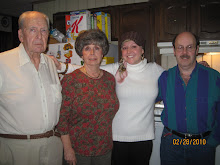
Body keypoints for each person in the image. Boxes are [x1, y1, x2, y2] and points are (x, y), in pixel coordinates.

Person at [52, 31, 164, 165]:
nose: (129, 50)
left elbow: (171, 83)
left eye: (134, 46)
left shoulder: (154, 70)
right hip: (112, 140)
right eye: (124, 47)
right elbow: (87, 69)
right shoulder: (114, 70)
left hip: (130, 142)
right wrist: (62, 66)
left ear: (142, 50)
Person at [0, 11, 63, 165]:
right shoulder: (3, 62)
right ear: (21, 35)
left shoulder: (50, 63)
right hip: (17, 149)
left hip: (53, 146)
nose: (39, 36)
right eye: (33, 30)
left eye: (44, 31)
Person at [56, 29, 119, 165]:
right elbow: (62, 120)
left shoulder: (109, 80)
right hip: (78, 151)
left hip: (104, 149)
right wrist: (67, 149)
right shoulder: (70, 81)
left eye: (97, 48)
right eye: (87, 48)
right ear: (81, 53)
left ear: (103, 52)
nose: (92, 53)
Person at [157, 32, 220, 165]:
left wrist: (213, 140)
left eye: (189, 47)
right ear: (174, 51)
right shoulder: (165, 78)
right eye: (180, 47)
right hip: (172, 144)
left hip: (203, 145)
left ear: (197, 49)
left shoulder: (214, 78)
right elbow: (146, 98)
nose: (184, 52)